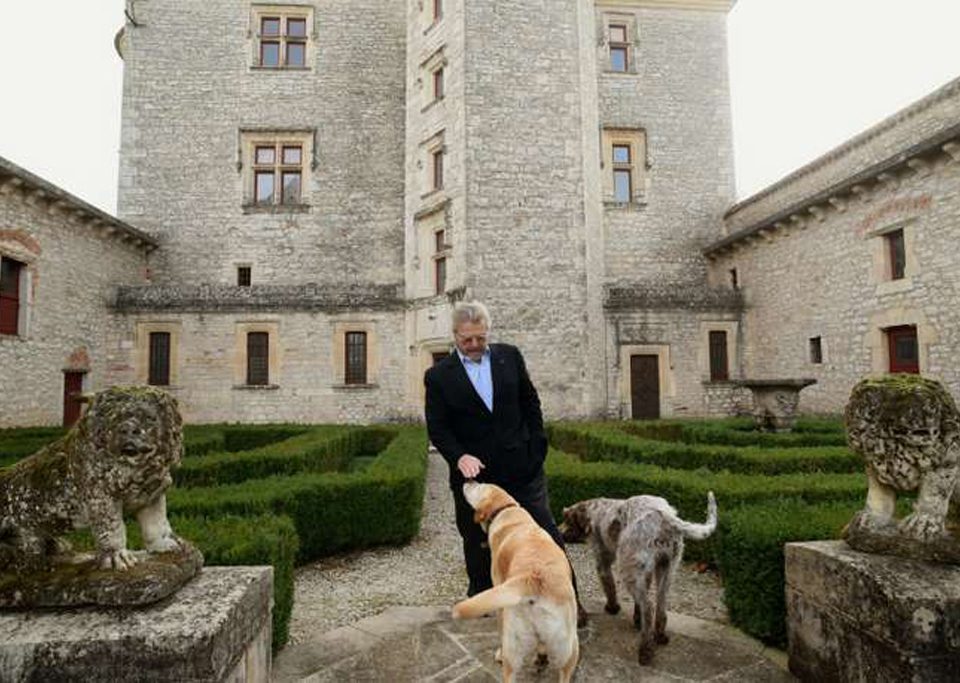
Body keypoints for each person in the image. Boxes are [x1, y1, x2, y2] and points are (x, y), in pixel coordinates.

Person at [424, 301, 586, 623]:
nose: (474, 345)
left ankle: (571, 603)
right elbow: (438, 428)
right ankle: (484, 602)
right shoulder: (438, 376)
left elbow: (530, 403)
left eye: (480, 338)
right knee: (476, 542)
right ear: (455, 335)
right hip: (475, 479)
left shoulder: (509, 356)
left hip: (522, 469)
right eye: (467, 339)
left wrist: (537, 448)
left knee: (547, 533)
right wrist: (459, 457)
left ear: (487, 333)